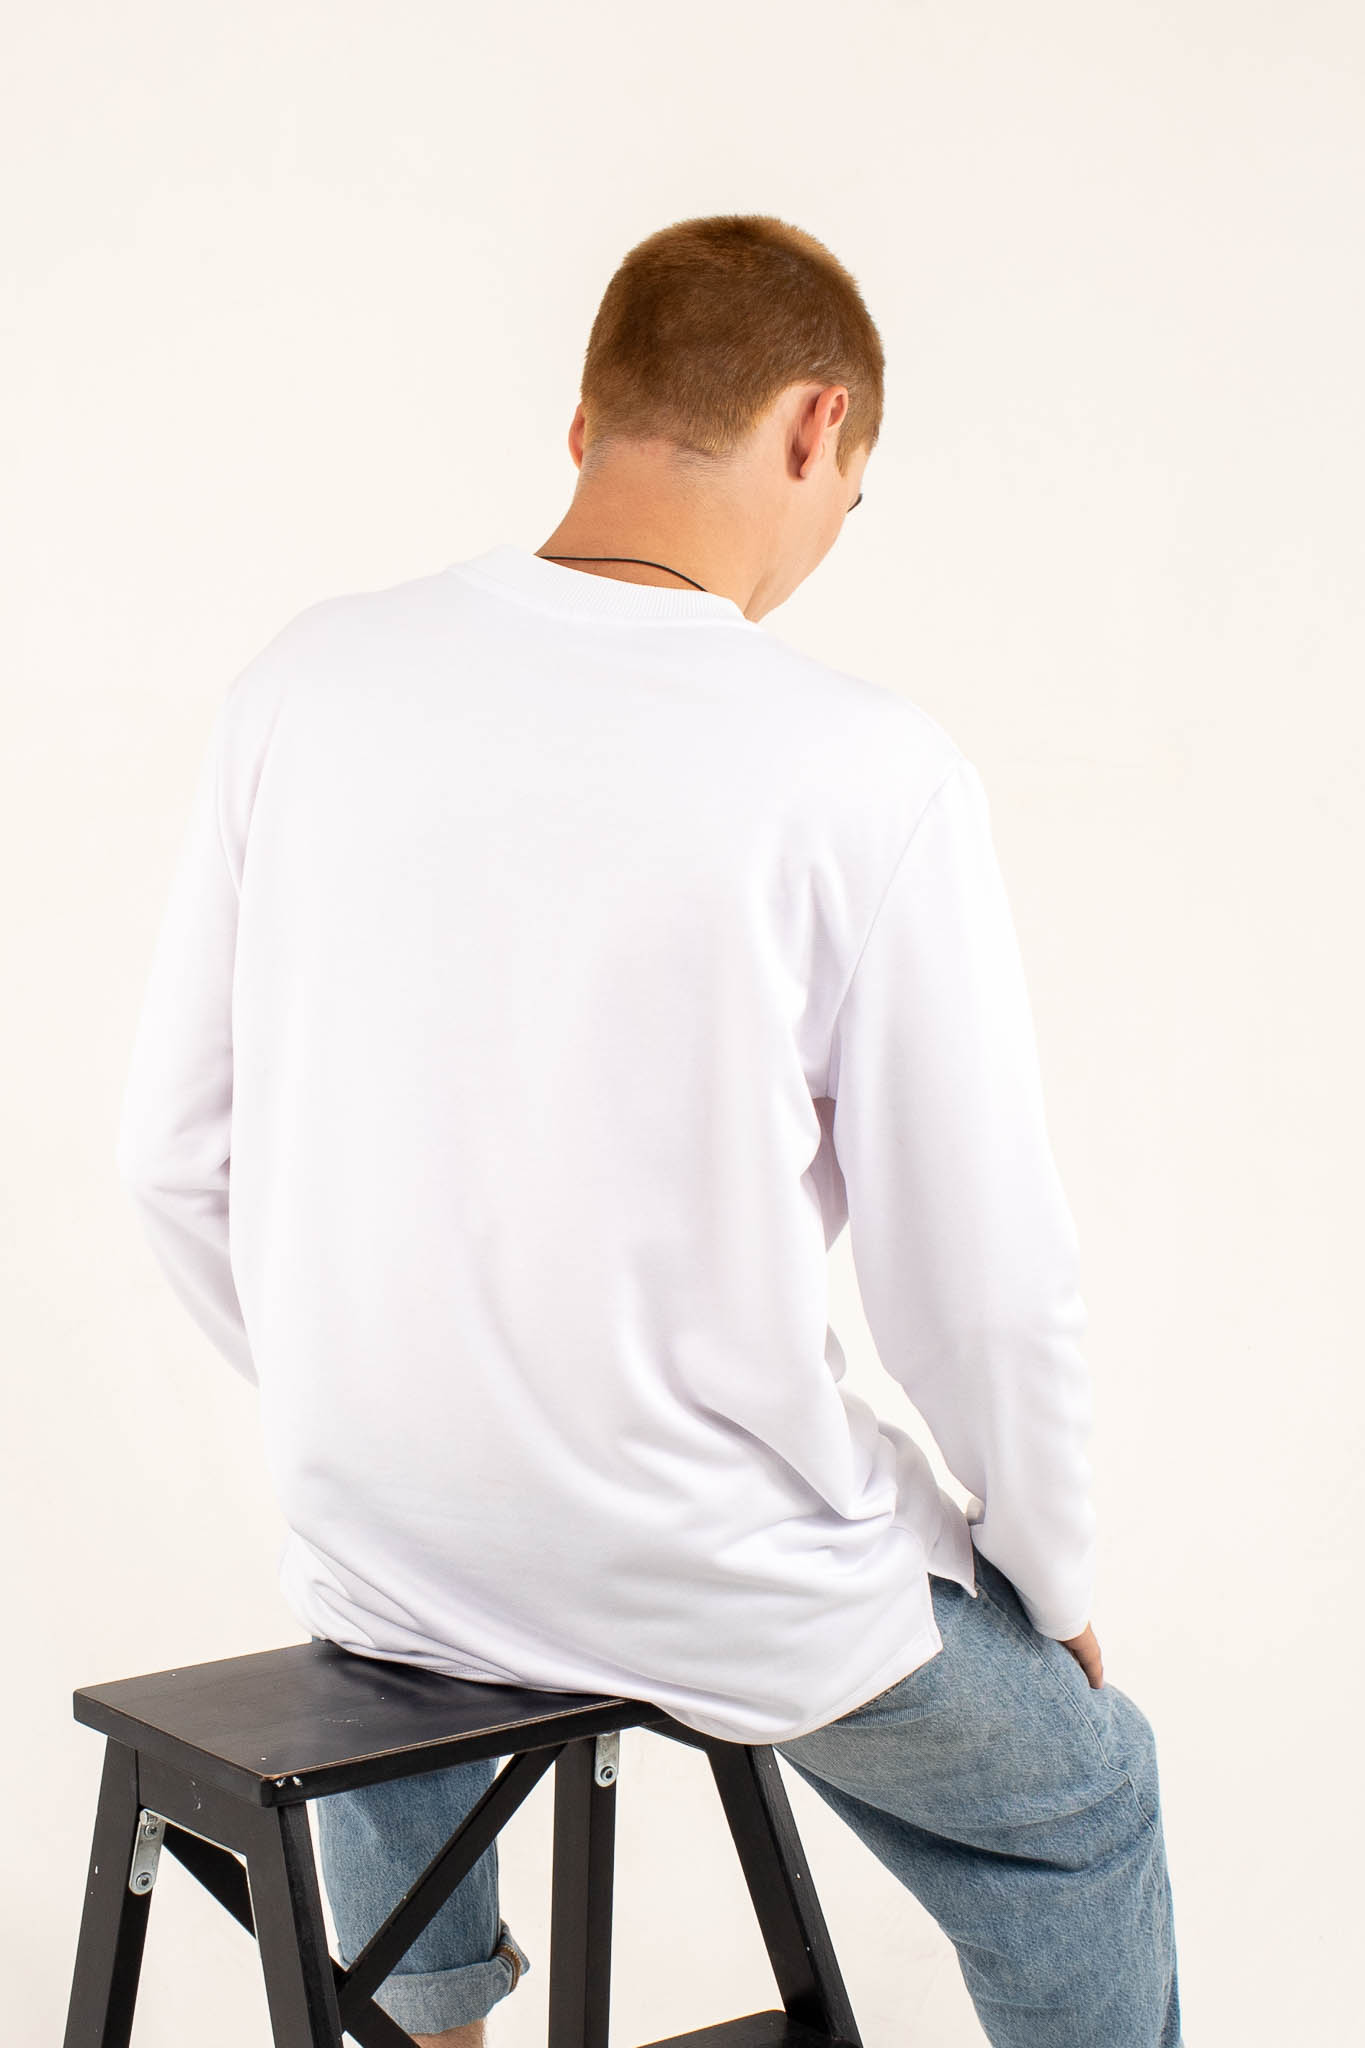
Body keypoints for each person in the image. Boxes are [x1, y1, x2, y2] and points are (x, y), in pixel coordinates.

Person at [115, 213, 1181, 2047]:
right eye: (854, 492)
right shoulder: (861, 768)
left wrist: (378, 1392)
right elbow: (980, 1280)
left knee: (396, 1585)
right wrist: (1052, 1570)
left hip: (382, 1535)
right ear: (815, 426)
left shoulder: (305, 681)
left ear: (584, 420)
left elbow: (170, 1156)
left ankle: (430, 2020)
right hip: (711, 1573)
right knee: (1085, 1807)